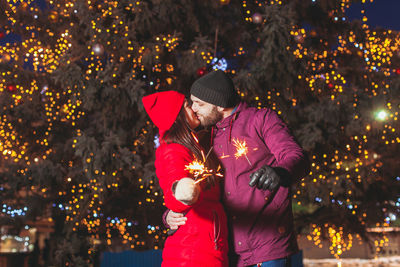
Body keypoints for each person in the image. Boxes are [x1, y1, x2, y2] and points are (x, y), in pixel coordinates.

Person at [166, 70, 310, 267]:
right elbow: (190, 185)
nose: (194, 109)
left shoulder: (260, 120)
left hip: (267, 247)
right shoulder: (206, 139)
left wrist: (280, 172)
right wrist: (170, 214)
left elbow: (295, 156)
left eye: (199, 103)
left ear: (219, 103)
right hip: (227, 251)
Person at [142, 90, 229, 267]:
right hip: (192, 251)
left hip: (204, 246)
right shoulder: (174, 149)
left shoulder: (195, 145)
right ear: (178, 116)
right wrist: (183, 191)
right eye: (189, 106)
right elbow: (175, 189)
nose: (194, 109)